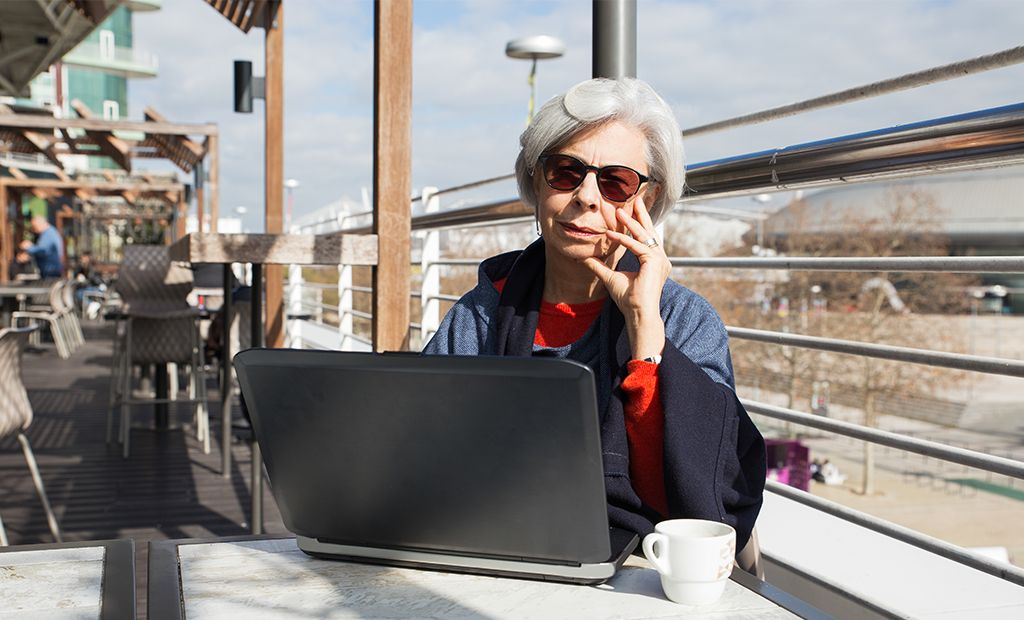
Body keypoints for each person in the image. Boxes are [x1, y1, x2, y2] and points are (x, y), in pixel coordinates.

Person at [423, 78, 766, 557]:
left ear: (645, 200)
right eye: (565, 171)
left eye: (615, 182)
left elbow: (698, 498)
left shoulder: (686, 320)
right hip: (491, 543)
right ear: (537, 180)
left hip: (641, 559)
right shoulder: (480, 313)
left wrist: (645, 326)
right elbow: (422, 454)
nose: (586, 196)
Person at [16, 215, 64, 279]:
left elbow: (43, 251)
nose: (34, 230)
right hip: (50, 270)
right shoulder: (49, 233)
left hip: (50, 271)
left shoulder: (48, 234)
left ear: (40, 224)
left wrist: (29, 247)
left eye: (34, 227)